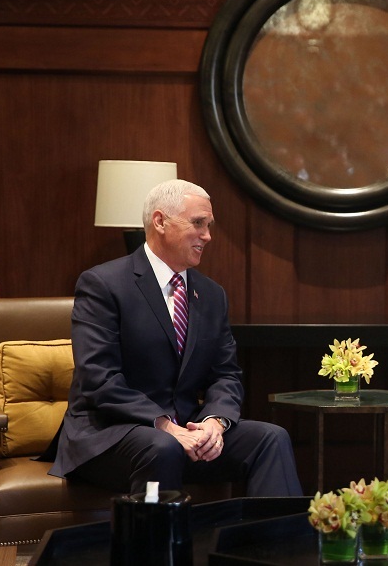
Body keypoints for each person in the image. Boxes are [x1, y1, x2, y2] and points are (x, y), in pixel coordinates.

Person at [48, 179, 302, 497]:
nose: (207, 236)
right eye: (198, 223)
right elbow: (99, 378)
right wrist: (166, 426)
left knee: (270, 438)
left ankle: (278, 532)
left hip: (186, 430)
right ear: (160, 221)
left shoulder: (211, 295)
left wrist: (214, 423)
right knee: (162, 446)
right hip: (109, 433)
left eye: (209, 226)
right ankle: (157, 533)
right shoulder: (103, 284)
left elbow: (225, 374)